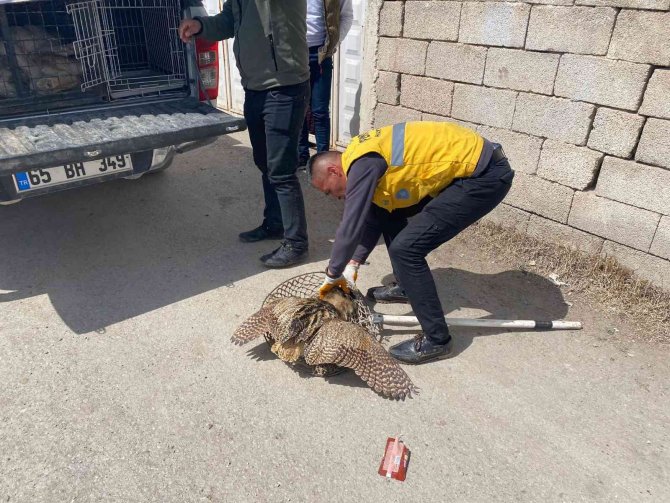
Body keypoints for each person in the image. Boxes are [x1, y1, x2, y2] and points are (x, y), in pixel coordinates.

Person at [311, 121, 514, 364]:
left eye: (328, 191)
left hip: (484, 177)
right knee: (388, 212)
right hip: (474, 169)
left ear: (334, 171)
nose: (333, 197)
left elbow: (351, 223)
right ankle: (407, 287)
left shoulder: (362, 163)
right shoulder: (361, 156)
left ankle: (437, 340)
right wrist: (353, 263)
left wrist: (333, 274)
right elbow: (375, 216)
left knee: (406, 249)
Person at [179, 2, 310, 268]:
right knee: (264, 163)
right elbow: (228, 21)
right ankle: (275, 223)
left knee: (281, 171)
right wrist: (201, 25)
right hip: (255, 87)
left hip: (284, 87)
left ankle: (297, 243)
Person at [298, 0, 354, 166]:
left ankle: (323, 160)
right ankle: (302, 155)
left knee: (320, 111)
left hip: (321, 54)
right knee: (299, 108)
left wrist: (333, 43)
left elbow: (346, 16)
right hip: (295, 54)